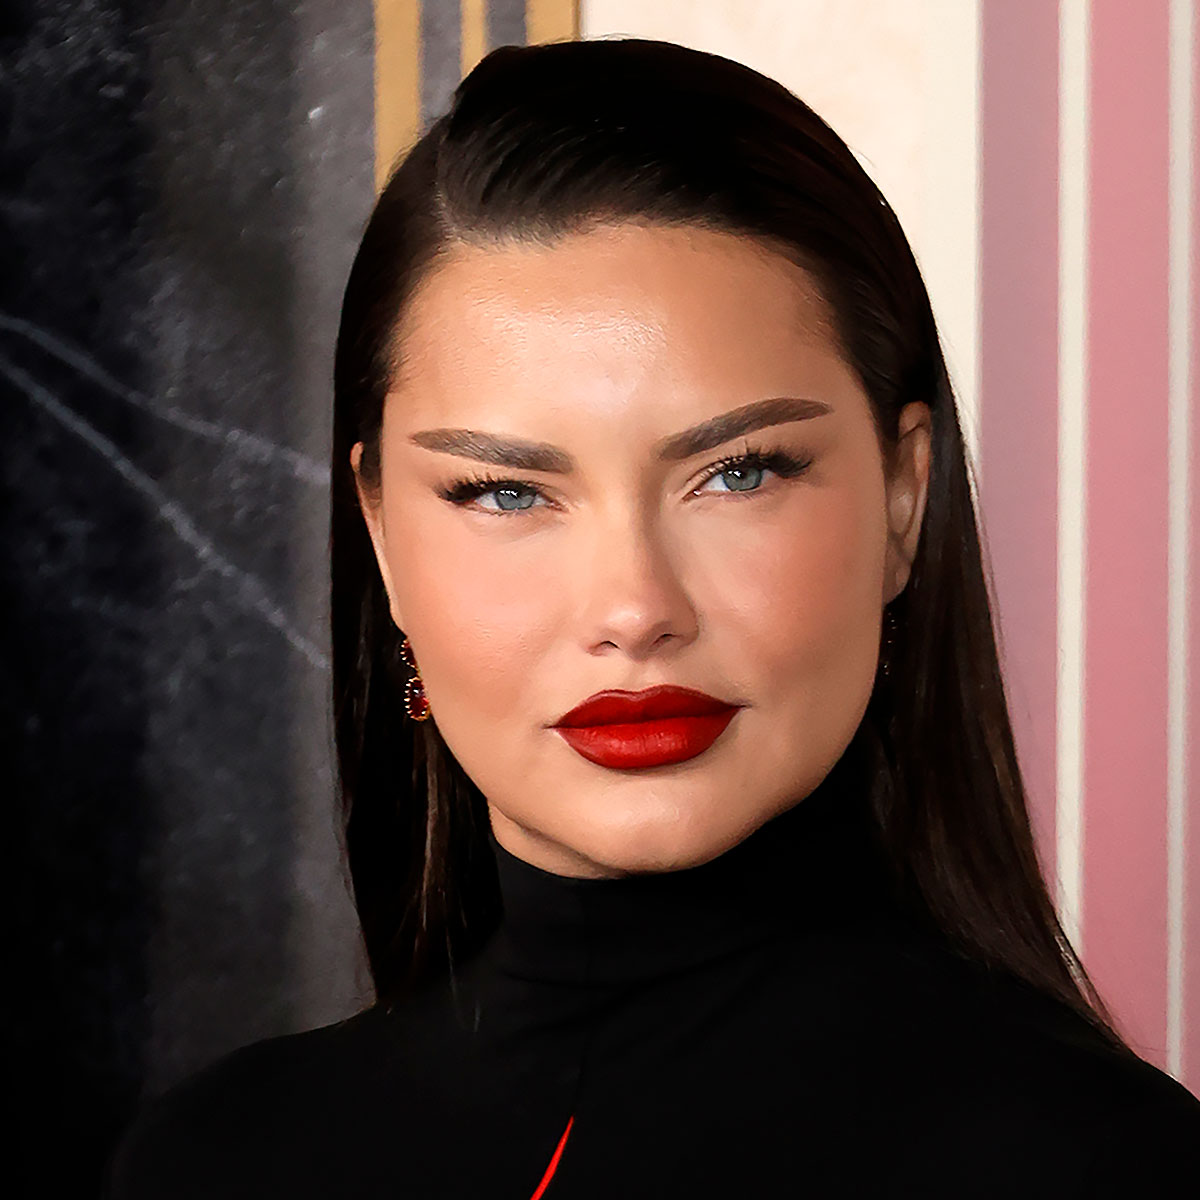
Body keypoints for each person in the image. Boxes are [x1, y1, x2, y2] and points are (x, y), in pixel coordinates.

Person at [105, 36, 1200, 1198]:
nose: (635, 610)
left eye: (739, 473)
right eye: (507, 492)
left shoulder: (1106, 1167)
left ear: (902, 496)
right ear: (381, 533)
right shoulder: (215, 1165)